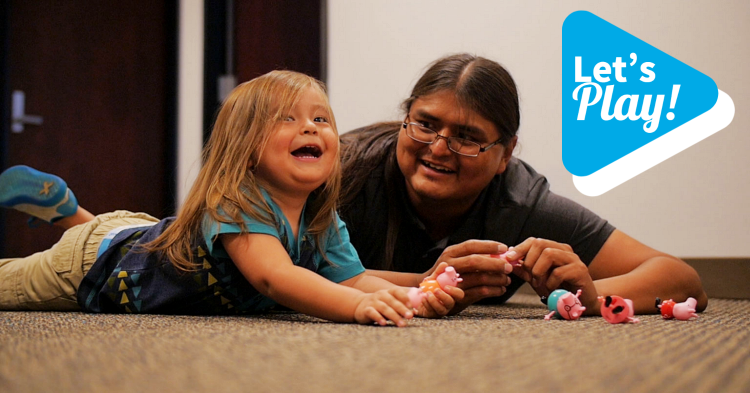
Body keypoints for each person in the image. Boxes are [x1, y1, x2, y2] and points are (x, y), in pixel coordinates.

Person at [0, 70, 463, 325]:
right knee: (9, 287)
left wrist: (409, 295)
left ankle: (67, 211)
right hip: (91, 265)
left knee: (126, 239)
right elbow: (274, 279)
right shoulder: (238, 204)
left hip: (135, 235)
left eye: (321, 119)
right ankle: (72, 221)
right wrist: (357, 308)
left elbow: (352, 278)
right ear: (246, 151)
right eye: (288, 119)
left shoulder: (321, 216)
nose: (310, 127)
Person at [339, 53, 707, 315]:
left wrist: (592, 296)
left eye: (467, 138)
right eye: (425, 124)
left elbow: (681, 280)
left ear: (505, 154)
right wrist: (423, 283)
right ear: (406, 117)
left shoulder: (521, 205)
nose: (438, 148)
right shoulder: (344, 171)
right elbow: (285, 271)